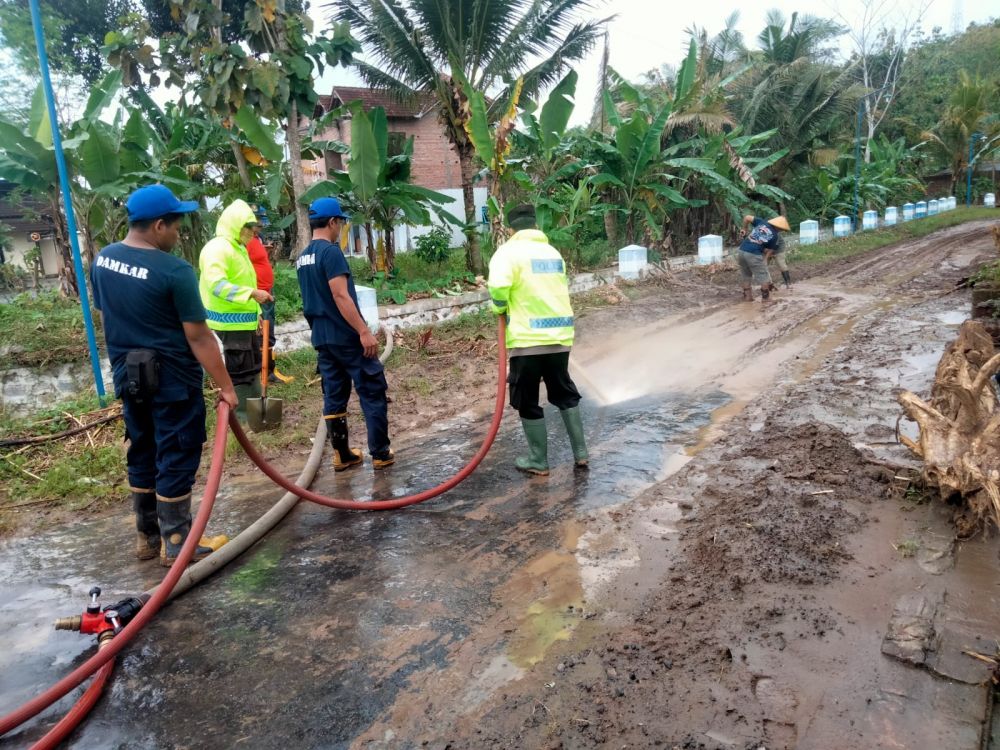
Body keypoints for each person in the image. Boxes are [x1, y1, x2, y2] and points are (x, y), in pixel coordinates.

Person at [90, 185, 235, 567]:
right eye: (175, 227)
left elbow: (106, 315)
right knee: (175, 454)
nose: (178, 233)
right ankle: (178, 543)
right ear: (158, 226)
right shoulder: (174, 271)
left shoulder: (103, 260)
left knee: (143, 450)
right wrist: (226, 386)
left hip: (130, 378)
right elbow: (199, 336)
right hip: (173, 382)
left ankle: (147, 539)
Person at [487, 204, 588, 476]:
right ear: (535, 225)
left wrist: (498, 307)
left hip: (527, 340)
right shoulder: (553, 252)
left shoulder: (507, 253)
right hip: (560, 337)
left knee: (527, 397)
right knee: (563, 390)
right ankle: (581, 454)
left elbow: (498, 289)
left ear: (510, 228)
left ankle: (538, 460)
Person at [295, 197, 393, 471]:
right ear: (332, 222)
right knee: (372, 390)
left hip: (322, 339)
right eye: (340, 223)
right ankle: (381, 453)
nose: (340, 228)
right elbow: (340, 295)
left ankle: (342, 455)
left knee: (334, 396)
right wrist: (363, 331)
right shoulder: (331, 252)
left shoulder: (302, 258)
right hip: (346, 336)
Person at [198, 200, 273, 420]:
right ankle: (243, 417)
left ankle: (256, 412)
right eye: (248, 227)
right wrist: (252, 294)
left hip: (243, 321)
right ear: (235, 225)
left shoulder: (236, 247)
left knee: (251, 367)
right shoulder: (217, 248)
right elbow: (217, 285)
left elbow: (243, 279)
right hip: (228, 322)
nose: (252, 232)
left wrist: (256, 313)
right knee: (240, 370)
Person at [245, 210, 293, 384]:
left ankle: (267, 369)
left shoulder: (257, 239)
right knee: (264, 332)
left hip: (266, 290)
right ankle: (267, 371)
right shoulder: (246, 242)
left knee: (268, 330)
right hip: (259, 293)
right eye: (258, 223)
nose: (262, 226)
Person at [738, 214, 790, 304]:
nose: (781, 231)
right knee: (763, 276)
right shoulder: (775, 236)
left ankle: (748, 297)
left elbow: (747, 217)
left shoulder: (762, 222)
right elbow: (770, 250)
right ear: (779, 227)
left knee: (746, 275)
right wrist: (765, 259)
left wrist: (745, 229)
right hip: (753, 254)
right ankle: (766, 298)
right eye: (782, 229)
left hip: (741, 250)